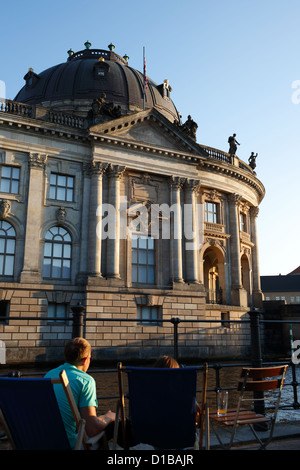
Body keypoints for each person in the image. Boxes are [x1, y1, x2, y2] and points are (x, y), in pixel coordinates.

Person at [45, 337, 116, 449]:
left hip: (44, 440)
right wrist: (109, 417)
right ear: (85, 360)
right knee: (109, 426)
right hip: (68, 444)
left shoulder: (49, 375)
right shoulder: (85, 381)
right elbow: (92, 429)